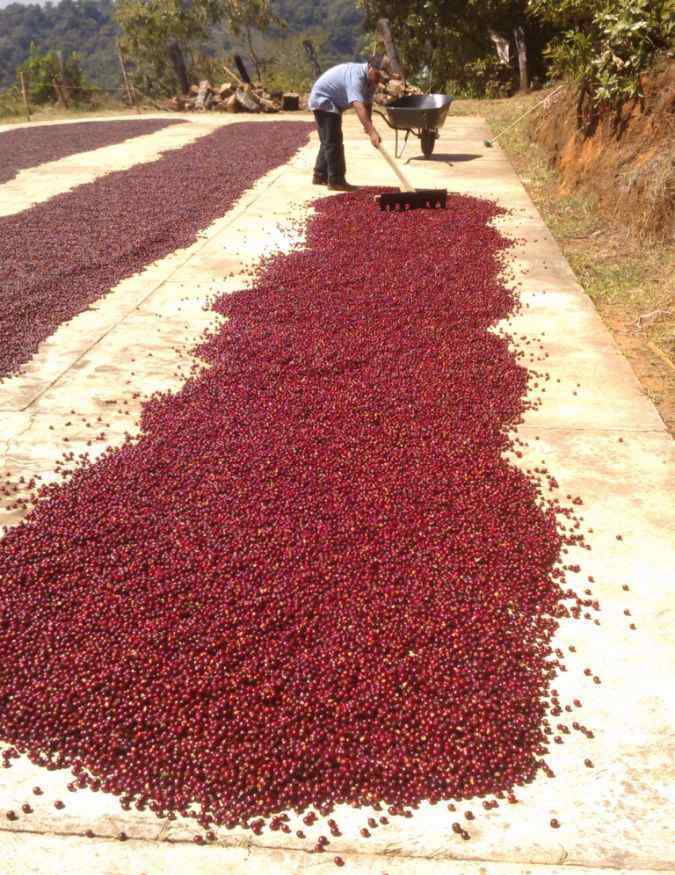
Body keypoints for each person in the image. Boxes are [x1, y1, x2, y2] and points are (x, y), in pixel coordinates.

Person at [308, 55, 385, 191]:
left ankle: (320, 175)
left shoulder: (372, 80)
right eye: (378, 75)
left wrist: (369, 125)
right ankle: (336, 181)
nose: (379, 79)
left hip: (334, 102)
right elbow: (358, 105)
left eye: (382, 77)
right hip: (323, 99)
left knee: (328, 140)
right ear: (370, 67)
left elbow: (367, 103)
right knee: (333, 141)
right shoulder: (356, 77)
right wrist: (372, 132)